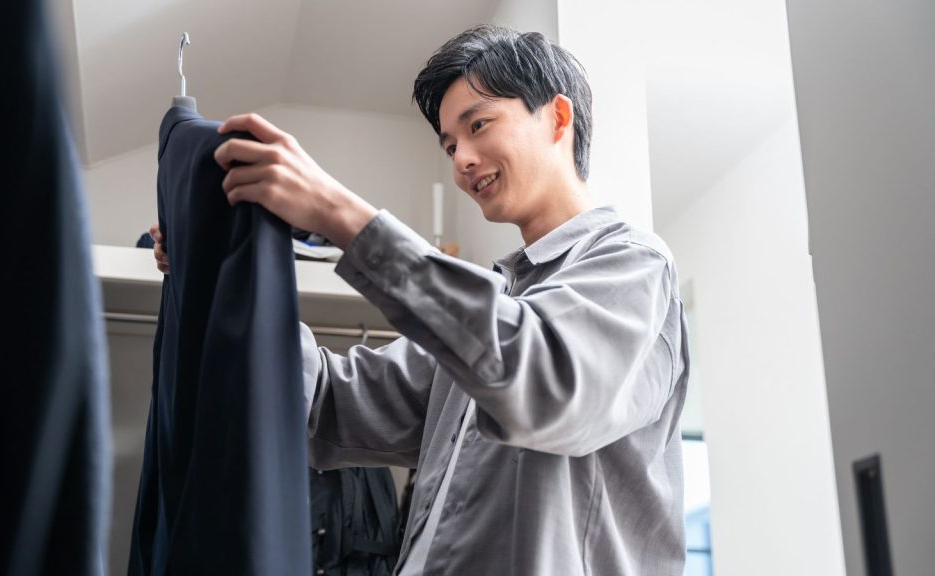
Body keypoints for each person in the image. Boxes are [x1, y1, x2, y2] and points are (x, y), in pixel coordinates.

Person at [153, 24, 688, 575]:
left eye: (478, 125)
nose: (462, 159)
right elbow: (329, 404)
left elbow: (548, 385)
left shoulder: (634, 265)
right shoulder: (492, 305)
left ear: (557, 117)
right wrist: (214, 264)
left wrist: (341, 216)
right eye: (451, 144)